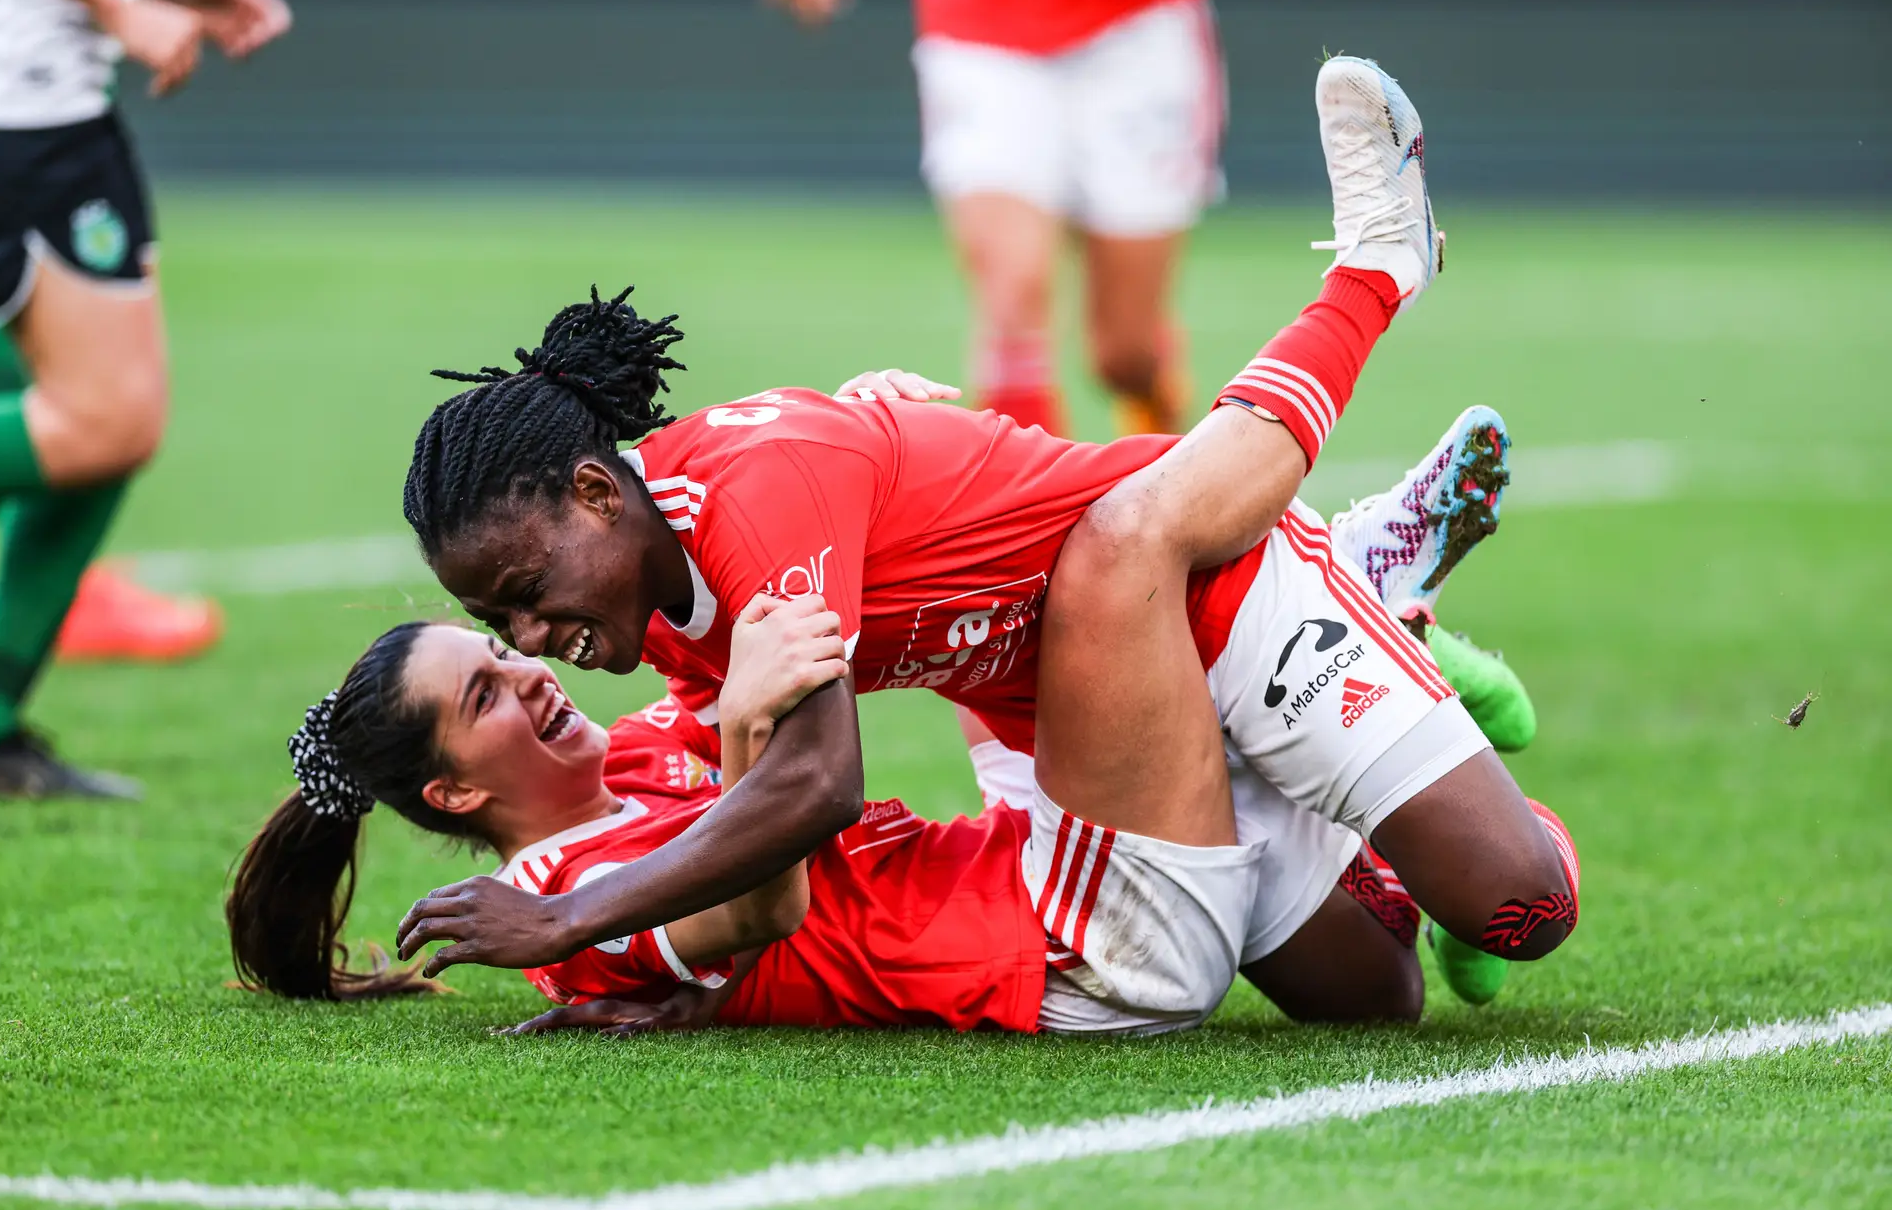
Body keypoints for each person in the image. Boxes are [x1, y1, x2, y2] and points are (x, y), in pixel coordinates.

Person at [391, 58, 1579, 1013]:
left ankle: (1377, 269)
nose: (533, 639)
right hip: (1069, 699)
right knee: (1374, 998)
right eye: (500, 623)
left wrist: (563, 918)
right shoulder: (664, 604)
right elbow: (741, 823)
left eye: (527, 592)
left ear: (599, 495)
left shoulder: (749, 497)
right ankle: (1372, 611)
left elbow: (815, 783)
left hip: (1194, 584)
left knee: (1520, 909)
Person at [229, 435, 1541, 1029]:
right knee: (1386, 988)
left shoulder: (618, 763)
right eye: (485, 694)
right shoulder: (554, 891)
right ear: (455, 797)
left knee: (1399, 984)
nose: (528, 673)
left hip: (1042, 852)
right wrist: (746, 719)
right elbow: (762, 907)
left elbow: (744, 723)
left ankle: (1329, 590)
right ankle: (1344, 567)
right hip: (1062, 946)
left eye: (503, 654)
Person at [0, 0, 289, 797]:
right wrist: (119, 9)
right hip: (18, 105)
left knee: (107, 426)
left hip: (32, 100)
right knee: (106, 418)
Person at [765, 0, 1222, 437]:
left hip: (1137, 27)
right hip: (983, 26)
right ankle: (1039, 506)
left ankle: (1161, 419)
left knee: (1124, 356)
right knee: (1012, 292)